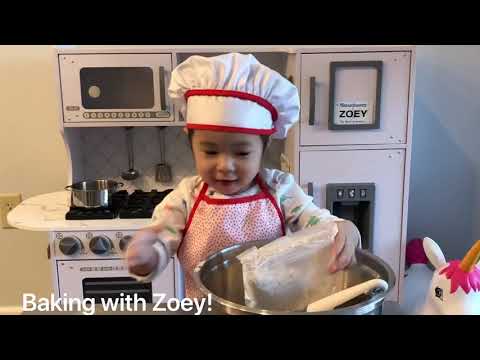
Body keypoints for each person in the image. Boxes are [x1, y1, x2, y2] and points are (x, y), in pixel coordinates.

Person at [125, 53, 361, 299]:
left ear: (264, 146)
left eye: (242, 152)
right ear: (190, 143)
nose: (225, 165)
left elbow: (314, 220)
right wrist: (146, 257)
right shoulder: (185, 199)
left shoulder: (280, 190)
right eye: (210, 151)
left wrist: (343, 227)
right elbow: (164, 239)